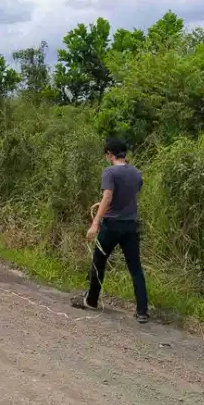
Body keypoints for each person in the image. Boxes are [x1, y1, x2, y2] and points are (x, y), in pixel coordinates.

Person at [71, 137, 149, 321]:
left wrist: (95, 223)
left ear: (109, 154)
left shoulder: (110, 172)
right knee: (135, 268)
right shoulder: (136, 173)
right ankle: (142, 311)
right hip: (130, 226)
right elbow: (130, 194)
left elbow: (108, 196)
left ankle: (91, 300)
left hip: (111, 226)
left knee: (99, 261)